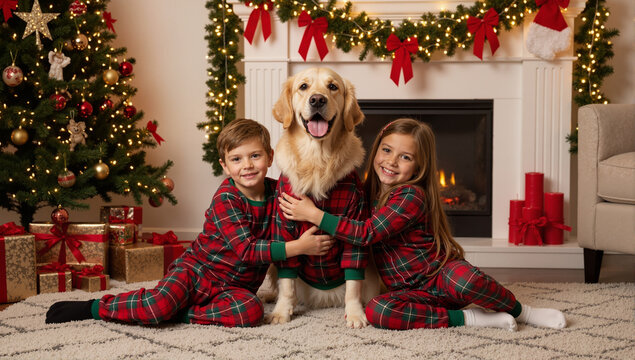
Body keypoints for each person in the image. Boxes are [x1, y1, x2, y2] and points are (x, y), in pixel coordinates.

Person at [278, 118, 566, 331]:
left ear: (419, 166)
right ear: (376, 149)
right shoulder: (365, 192)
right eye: (387, 150)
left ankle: (524, 311)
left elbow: (366, 233)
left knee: (469, 281)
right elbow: (344, 215)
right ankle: (471, 319)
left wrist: (314, 215)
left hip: (440, 276)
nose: (391, 162)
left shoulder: (410, 195)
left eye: (405, 157)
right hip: (407, 293)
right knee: (379, 312)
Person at [46, 118, 333, 327]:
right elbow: (246, 250)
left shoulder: (277, 192)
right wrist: (298, 247)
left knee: (250, 313)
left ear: (270, 157)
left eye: (255, 156)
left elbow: (298, 206)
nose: (247, 165)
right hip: (196, 272)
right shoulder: (227, 198)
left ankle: (185, 314)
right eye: (237, 159)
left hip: (236, 287)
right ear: (224, 165)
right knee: (156, 307)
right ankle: (95, 307)